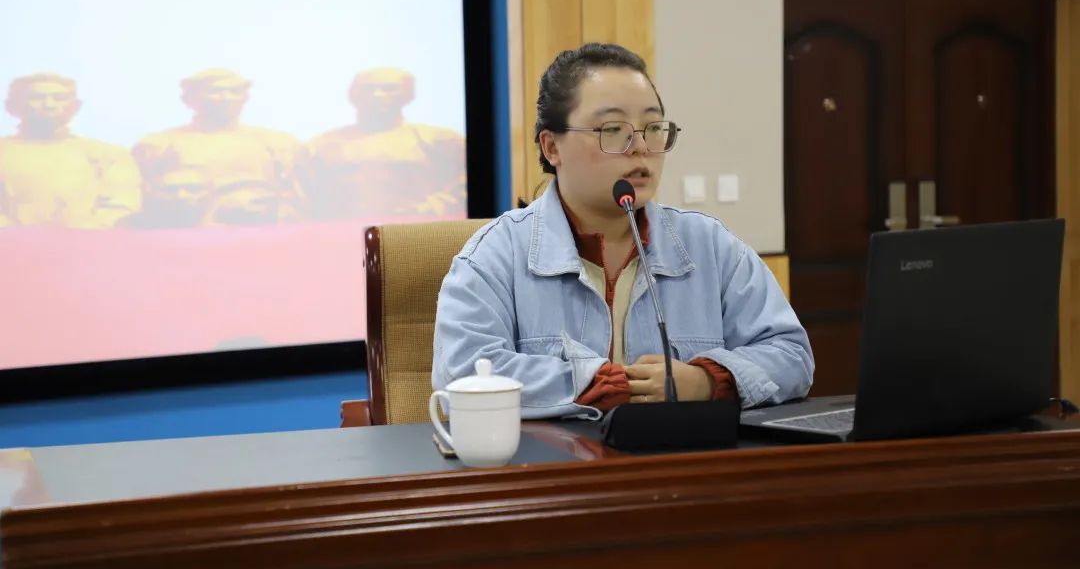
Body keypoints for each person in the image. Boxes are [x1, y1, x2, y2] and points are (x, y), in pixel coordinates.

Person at [433, 43, 813, 419]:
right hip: (554, 459)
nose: (641, 148)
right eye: (613, 130)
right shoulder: (493, 256)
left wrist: (707, 381)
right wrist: (600, 385)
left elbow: (791, 354)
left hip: (682, 457)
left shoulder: (711, 247)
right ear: (552, 147)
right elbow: (461, 375)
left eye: (653, 128)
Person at [129, 69, 307, 227]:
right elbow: (140, 197)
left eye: (235, 91)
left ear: (246, 98)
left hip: (264, 231)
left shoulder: (278, 142)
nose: (226, 98)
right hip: (188, 235)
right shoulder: (160, 145)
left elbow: (299, 196)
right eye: (215, 91)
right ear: (188, 99)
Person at [307, 68, 466, 220]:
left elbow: (465, 185)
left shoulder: (439, 141)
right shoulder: (321, 146)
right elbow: (302, 198)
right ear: (353, 95)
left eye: (389, 89)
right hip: (340, 230)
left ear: (407, 95)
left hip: (418, 230)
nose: (377, 95)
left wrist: (428, 207)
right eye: (368, 89)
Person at [0, 73, 140, 228]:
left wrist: (80, 233)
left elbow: (121, 207)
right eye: (36, 98)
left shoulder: (109, 155)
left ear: (75, 107)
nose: (49, 105)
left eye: (59, 98)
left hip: (86, 239)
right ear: (12, 106)